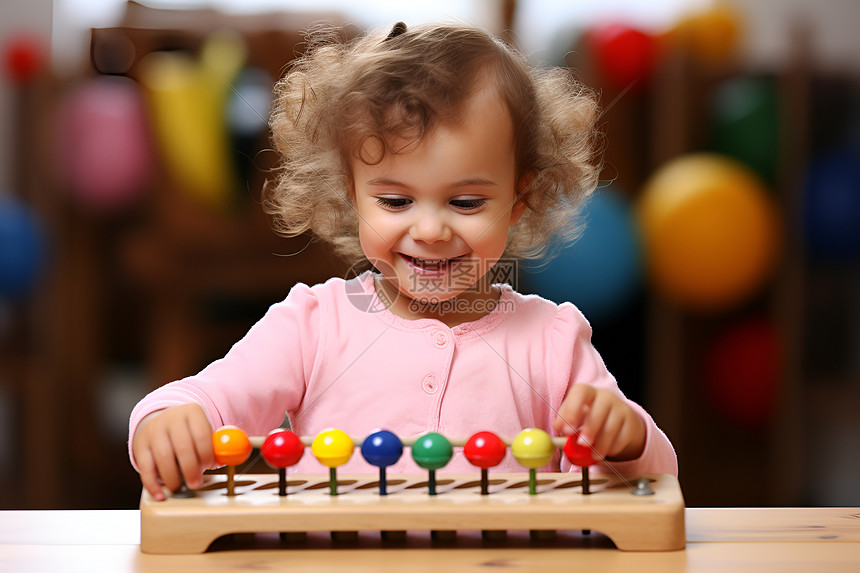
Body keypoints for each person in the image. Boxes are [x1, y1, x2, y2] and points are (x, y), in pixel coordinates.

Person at [129, 22, 677, 501]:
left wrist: (626, 438)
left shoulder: (552, 341)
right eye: (395, 201)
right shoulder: (312, 326)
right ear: (352, 194)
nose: (432, 230)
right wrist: (167, 421)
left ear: (521, 199)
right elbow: (200, 399)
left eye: (466, 203)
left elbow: (656, 474)